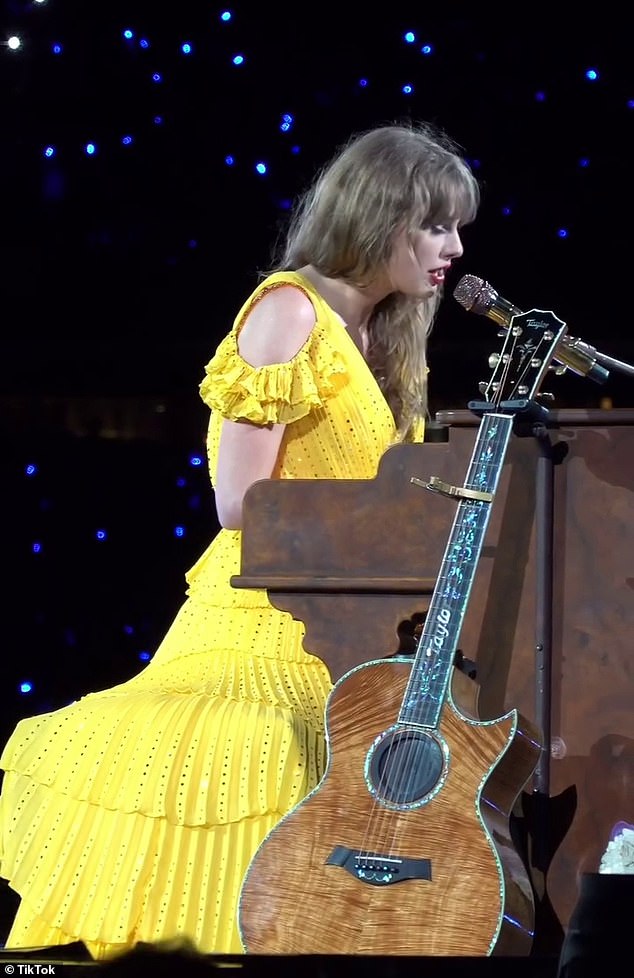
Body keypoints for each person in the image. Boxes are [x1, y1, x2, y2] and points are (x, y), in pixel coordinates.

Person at [0, 119, 480, 958]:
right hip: (263, 610)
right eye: (437, 224)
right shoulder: (287, 311)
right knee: (272, 759)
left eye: (458, 226)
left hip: (352, 619)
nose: (456, 246)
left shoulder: (391, 336)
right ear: (378, 217)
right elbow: (238, 500)